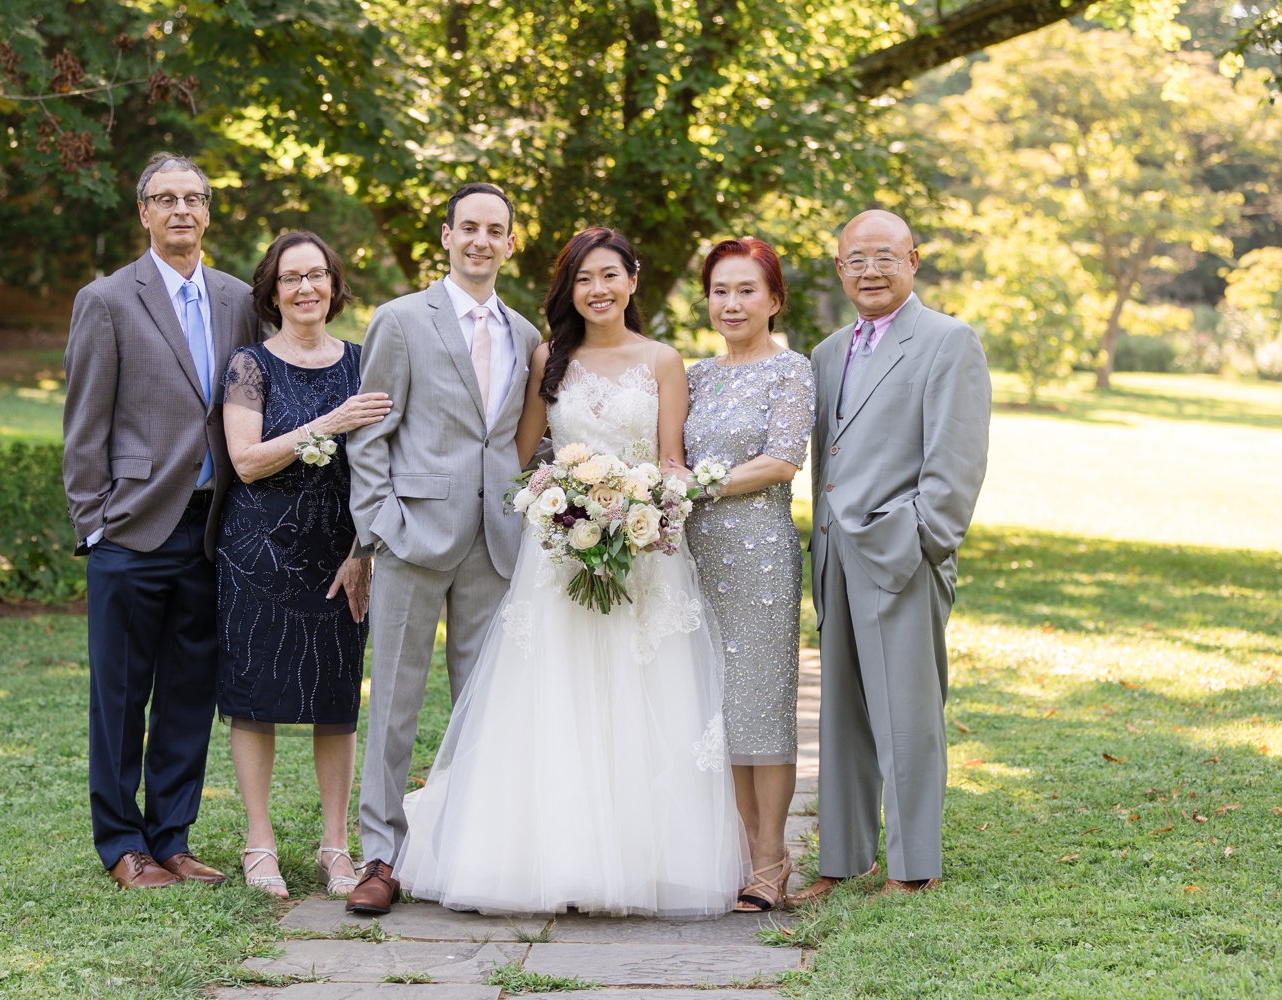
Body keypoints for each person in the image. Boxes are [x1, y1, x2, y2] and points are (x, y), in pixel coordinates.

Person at [392, 227, 747, 917]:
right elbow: (525, 456)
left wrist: (643, 506)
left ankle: (639, 864)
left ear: (632, 281)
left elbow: (671, 460)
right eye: (584, 279)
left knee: (642, 701)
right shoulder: (548, 357)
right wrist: (557, 505)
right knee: (555, 701)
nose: (599, 290)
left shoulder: (664, 360)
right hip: (558, 560)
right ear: (569, 289)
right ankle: (548, 861)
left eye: (610, 275)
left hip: (642, 560)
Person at [63, 153, 262, 889]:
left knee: (189, 690)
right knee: (119, 695)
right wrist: (93, 524)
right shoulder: (109, 300)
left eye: (194, 198)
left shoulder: (240, 299)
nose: (182, 210)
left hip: (213, 531)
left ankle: (172, 837)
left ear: (209, 212)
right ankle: (122, 846)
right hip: (132, 528)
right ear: (142, 212)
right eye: (165, 198)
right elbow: (85, 425)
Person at [344, 183, 544, 914]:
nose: (481, 241)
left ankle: (467, 850)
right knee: (395, 700)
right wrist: (379, 523)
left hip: (497, 542)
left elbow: (520, 438)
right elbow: (370, 430)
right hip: (412, 535)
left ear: (511, 243)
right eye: (469, 228)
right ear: (446, 235)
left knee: (482, 706)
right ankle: (380, 856)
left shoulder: (526, 335)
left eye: (496, 230)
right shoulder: (400, 321)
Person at [792, 210, 990, 900]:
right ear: (839, 268)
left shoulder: (947, 341)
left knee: (907, 717)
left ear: (914, 259)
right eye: (856, 259)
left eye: (885, 256)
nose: (870, 270)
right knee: (840, 715)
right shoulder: (825, 352)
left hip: (900, 554)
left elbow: (955, 463)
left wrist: (921, 544)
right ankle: (843, 859)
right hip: (834, 556)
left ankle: (915, 867)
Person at [216, 231, 392, 898]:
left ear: (334, 284)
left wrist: (362, 553)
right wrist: (333, 421)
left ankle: (335, 847)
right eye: (292, 277)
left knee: (336, 698)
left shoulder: (362, 362)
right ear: (272, 290)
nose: (307, 288)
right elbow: (246, 460)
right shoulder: (249, 365)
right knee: (255, 697)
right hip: (258, 551)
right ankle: (258, 843)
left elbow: (381, 467)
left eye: (317, 275)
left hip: (339, 553)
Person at [683, 237, 816, 910]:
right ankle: (741, 844)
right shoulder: (696, 375)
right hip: (695, 557)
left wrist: (697, 489)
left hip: (759, 555)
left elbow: (782, 461)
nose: (731, 303)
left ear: (773, 299)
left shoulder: (790, 371)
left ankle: (772, 856)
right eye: (719, 291)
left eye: (745, 290)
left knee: (763, 708)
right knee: (721, 708)